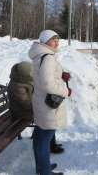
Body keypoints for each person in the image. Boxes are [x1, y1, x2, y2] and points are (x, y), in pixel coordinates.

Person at [28, 30, 72, 175]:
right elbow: (48, 85)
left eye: (57, 40)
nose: (56, 43)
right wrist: (66, 91)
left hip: (41, 101)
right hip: (48, 104)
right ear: (45, 41)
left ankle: (41, 167)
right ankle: (45, 171)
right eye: (53, 40)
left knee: (40, 134)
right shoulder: (48, 58)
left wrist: (62, 75)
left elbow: (44, 77)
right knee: (45, 138)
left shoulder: (39, 55)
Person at [7, 61, 65, 155]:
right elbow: (26, 103)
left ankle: (51, 143)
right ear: (25, 74)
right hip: (21, 111)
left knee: (49, 114)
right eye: (31, 72)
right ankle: (50, 145)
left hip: (28, 109)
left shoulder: (25, 81)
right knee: (47, 117)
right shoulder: (17, 85)